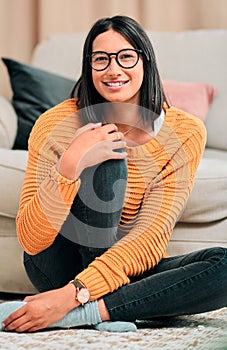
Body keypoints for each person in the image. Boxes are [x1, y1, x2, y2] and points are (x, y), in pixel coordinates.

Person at [1, 15, 227, 333]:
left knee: (223, 266)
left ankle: (85, 311)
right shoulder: (54, 123)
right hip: (60, 259)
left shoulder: (185, 132)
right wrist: (71, 163)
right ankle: (119, 306)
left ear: (146, 62)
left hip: (120, 270)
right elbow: (33, 239)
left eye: (126, 56)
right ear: (88, 66)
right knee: (107, 154)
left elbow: (150, 237)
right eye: (100, 59)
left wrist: (73, 295)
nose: (113, 69)